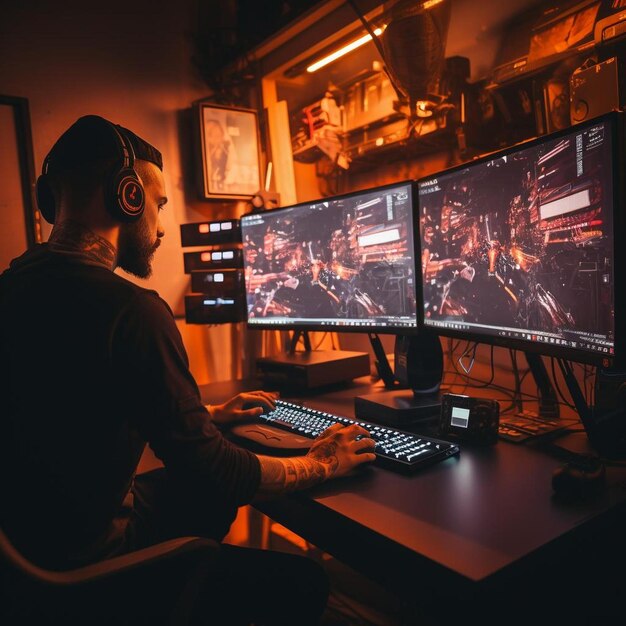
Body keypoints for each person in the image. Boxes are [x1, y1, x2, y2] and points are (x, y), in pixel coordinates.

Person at [0, 115, 376, 624]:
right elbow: (217, 470)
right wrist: (322, 463)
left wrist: (203, 417)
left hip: (29, 559)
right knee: (307, 580)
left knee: (205, 501)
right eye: (156, 206)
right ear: (126, 196)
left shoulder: (15, 284)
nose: (157, 227)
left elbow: (68, 407)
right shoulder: (132, 310)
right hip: (86, 576)